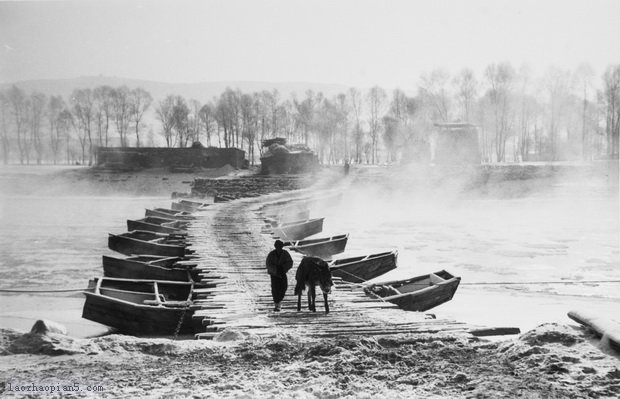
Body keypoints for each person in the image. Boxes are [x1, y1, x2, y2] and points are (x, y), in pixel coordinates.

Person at [265, 239, 293, 311]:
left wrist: (283, 268)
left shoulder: (285, 253)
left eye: (280, 246)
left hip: (282, 272)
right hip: (274, 274)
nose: (279, 248)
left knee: (284, 287)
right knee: (275, 289)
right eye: (277, 246)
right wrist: (275, 270)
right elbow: (268, 264)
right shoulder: (271, 254)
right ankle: (276, 304)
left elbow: (290, 262)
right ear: (275, 246)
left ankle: (279, 300)